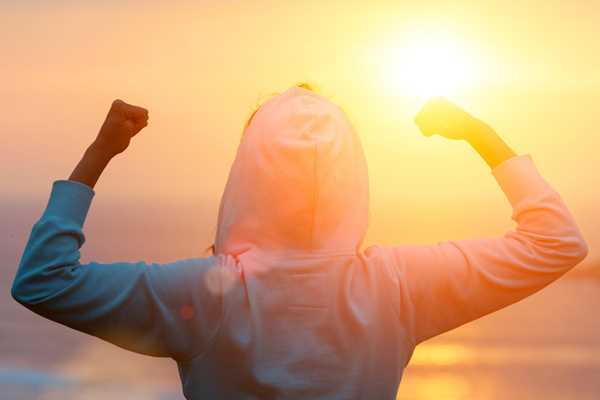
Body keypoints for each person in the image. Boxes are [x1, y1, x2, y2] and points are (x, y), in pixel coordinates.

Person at [12, 84, 588, 400]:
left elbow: (43, 280)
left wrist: (99, 154)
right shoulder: (398, 287)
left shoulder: (205, 294)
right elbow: (558, 242)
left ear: (248, 174)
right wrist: (479, 136)